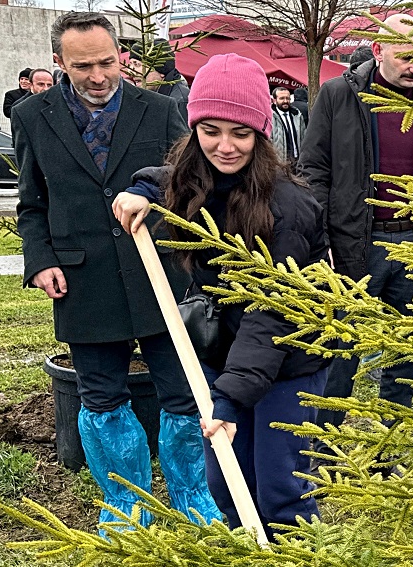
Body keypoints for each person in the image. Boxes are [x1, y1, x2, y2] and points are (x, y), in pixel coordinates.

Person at [13, 12, 219, 530]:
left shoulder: (161, 109)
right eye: (84, 66)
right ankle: (126, 508)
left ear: (120, 56)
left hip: (158, 274)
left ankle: (194, 499)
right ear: (60, 62)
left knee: (181, 393)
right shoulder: (33, 116)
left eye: (108, 61)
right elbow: (31, 203)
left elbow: (187, 176)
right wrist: (40, 261)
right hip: (82, 281)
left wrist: (156, 197)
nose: (99, 75)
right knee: (101, 398)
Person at [112, 54, 329, 535]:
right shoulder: (195, 180)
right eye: (210, 130)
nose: (225, 146)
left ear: (261, 134)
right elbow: (169, 177)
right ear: (194, 130)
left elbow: (271, 315)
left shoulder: (289, 207)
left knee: (281, 484)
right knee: (226, 480)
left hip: (289, 356)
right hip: (221, 349)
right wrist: (140, 189)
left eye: (240, 133)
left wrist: (228, 403)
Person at [299, 13, 413, 425]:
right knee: (340, 354)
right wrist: (323, 241)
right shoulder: (338, 96)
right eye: (406, 57)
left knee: (407, 354)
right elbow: (313, 170)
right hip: (355, 245)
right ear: (378, 50)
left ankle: (390, 448)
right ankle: (321, 449)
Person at [271, 86, 306, 164]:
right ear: (274, 100)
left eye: (288, 98)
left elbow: (304, 138)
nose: (285, 101)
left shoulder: (297, 115)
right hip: (279, 163)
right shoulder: (270, 117)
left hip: (297, 161)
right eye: (282, 98)